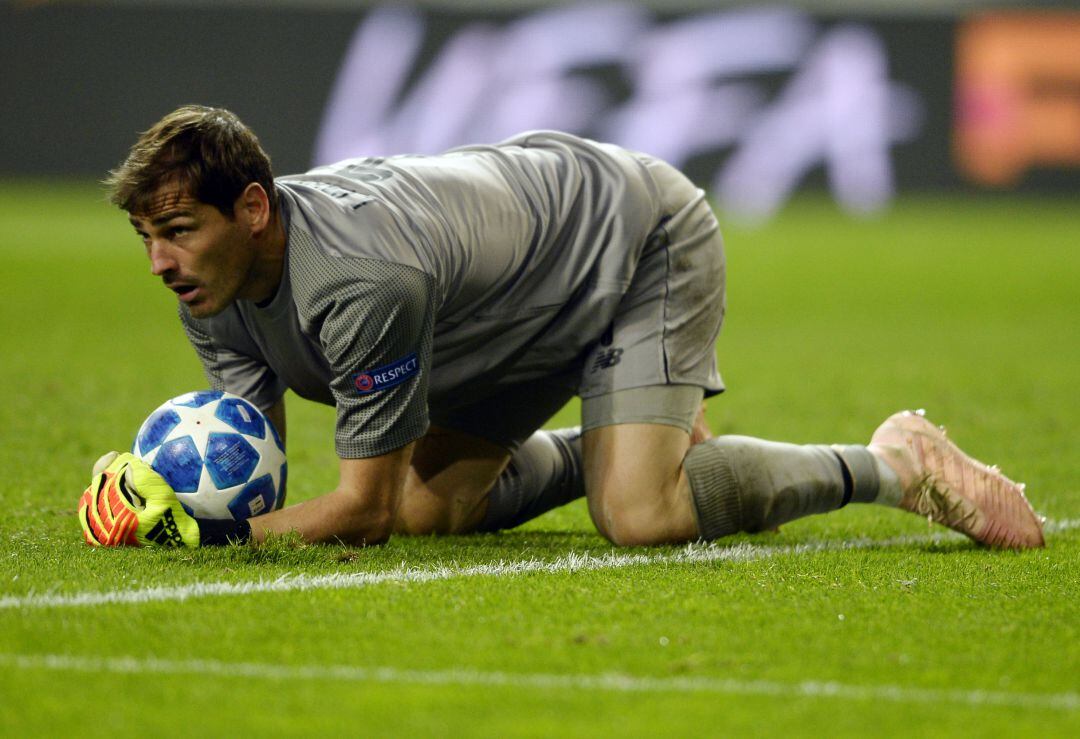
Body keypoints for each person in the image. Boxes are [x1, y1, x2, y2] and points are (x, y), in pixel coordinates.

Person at [79, 105, 1044, 551]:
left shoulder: (358, 281)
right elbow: (258, 465)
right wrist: (175, 491)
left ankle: (893, 462)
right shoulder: (210, 286)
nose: (161, 262)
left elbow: (356, 512)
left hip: (631, 239)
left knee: (641, 515)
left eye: (177, 231)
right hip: (504, 306)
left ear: (253, 209)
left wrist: (205, 543)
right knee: (432, 511)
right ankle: (627, 437)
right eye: (148, 238)